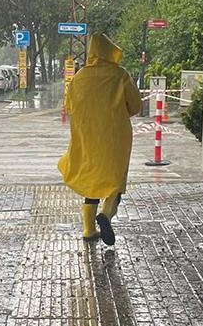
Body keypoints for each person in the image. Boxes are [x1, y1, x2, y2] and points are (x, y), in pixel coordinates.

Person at [58, 33, 141, 246]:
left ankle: (88, 229)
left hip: (88, 136)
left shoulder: (79, 77)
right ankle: (106, 214)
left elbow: (70, 106)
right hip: (115, 138)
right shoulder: (120, 75)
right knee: (114, 180)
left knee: (91, 181)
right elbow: (136, 105)